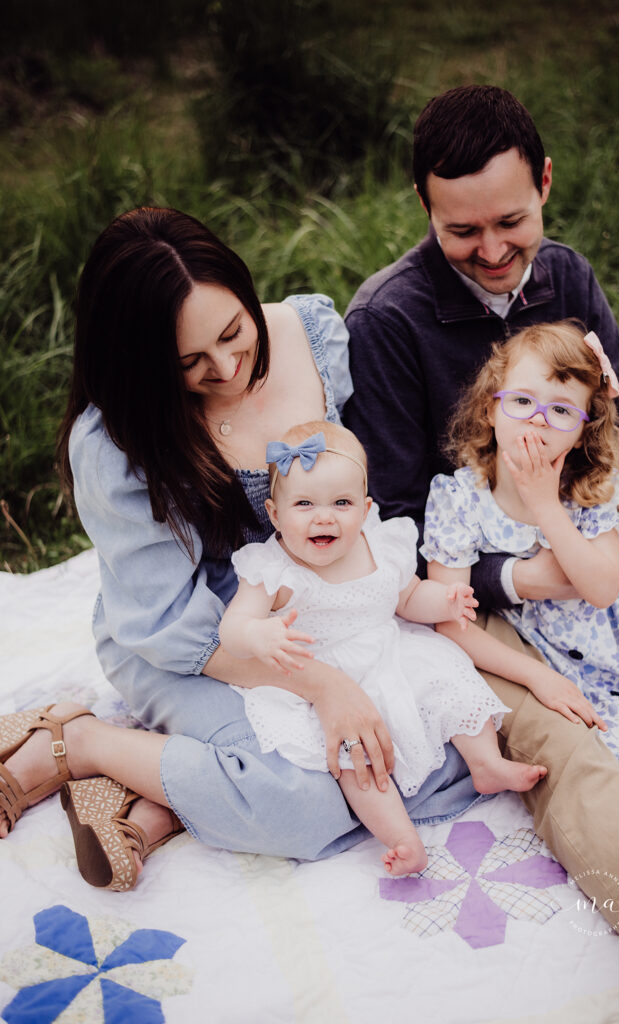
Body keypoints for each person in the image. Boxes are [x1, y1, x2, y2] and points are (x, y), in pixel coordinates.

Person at [0, 206, 498, 896]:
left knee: (436, 740)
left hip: (326, 616)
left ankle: (162, 799)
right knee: (307, 799)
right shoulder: (114, 441)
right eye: (190, 364)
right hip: (195, 641)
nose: (229, 367)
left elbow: (355, 492)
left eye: (235, 333)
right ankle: (82, 742)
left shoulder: (314, 335)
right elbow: (167, 623)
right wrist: (327, 688)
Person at [344, 85, 619, 1000]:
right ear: (426, 208)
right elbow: (405, 530)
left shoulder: (566, 275)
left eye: (510, 221)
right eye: (462, 232)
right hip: (477, 588)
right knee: (567, 750)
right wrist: (526, 575)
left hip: (591, 519)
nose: (492, 252)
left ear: (544, 182)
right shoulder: (386, 321)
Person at [219, 420, 580, 874]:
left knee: (450, 678)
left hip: (391, 650)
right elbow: (232, 629)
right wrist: (258, 635)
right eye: (305, 504)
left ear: (366, 508)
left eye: (342, 503)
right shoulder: (272, 569)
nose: (324, 516)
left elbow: (407, 597)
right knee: (356, 758)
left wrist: (445, 599)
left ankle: (486, 762)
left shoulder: (378, 545)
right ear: (274, 514)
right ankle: (401, 837)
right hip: (325, 678)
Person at [421, 320, 619, 783]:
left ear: (583, 432)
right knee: (608, 738)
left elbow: (602, 590)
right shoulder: (458, 498)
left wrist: (545, 504)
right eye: (521, 401)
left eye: (562, 411)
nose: (538, 419)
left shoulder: (590, 487)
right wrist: (536, 677)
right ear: (489, 410)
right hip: (556, 651)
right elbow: (449, 620)